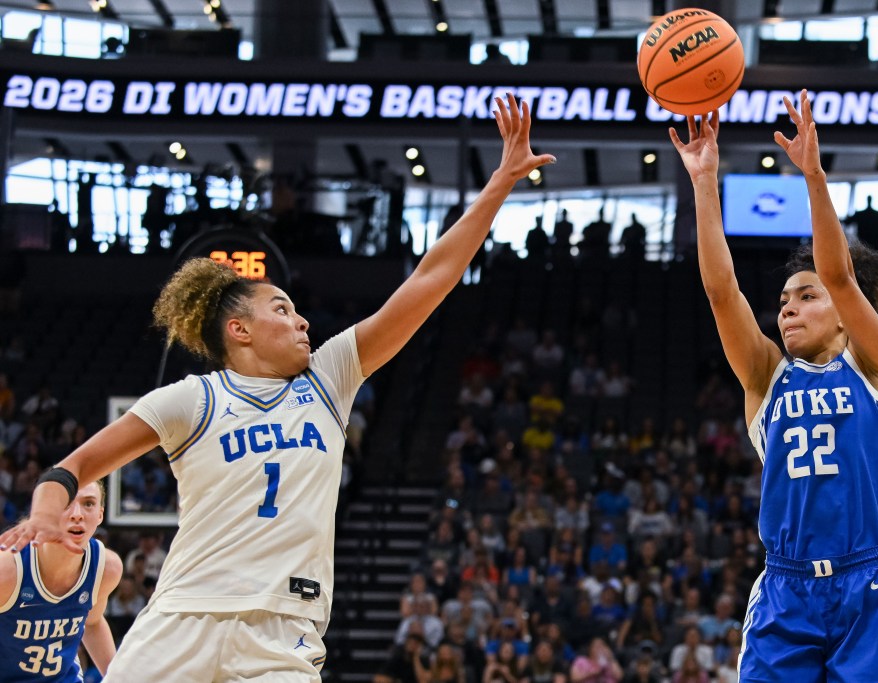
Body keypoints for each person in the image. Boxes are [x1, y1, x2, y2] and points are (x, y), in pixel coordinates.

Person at [0, 94, 555, 682]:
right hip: (182, 617)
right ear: (239, 330)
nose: (303, 322)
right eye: (284, 309)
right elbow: (73, 466)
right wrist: (44, 514)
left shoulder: (330, 376)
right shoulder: (191, 400)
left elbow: (432, 276)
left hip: (281, 630)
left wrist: (499, 183)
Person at [670, 89, 878, 681]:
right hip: (786, 586)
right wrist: (706, 182)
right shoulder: (766, 377)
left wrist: (812, 176)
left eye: (807, 297)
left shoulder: (874, 364)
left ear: (844, 312)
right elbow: (721, 292)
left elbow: (838, 273)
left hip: (871, 582)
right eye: (783, 300)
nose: (788, 309)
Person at [0, 481, 122, 680]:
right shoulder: (7, 569)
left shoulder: (106, 567)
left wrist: (118, 678)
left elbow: (92, 623)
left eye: (88, 503)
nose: (77, 514)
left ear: (100, 514)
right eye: (66, 503)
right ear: (43, 511)